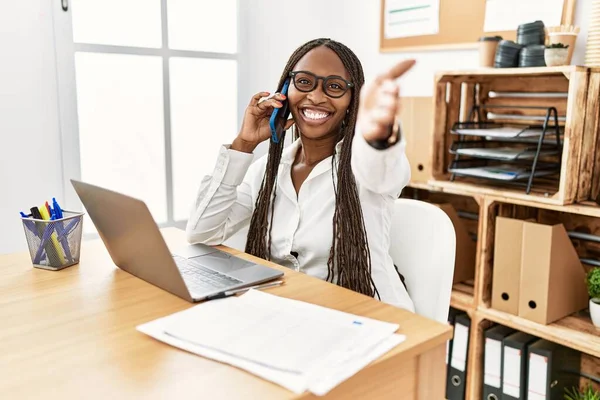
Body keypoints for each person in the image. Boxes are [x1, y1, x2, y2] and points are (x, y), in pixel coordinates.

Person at [186, 38, 416, 311]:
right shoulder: (267, 171)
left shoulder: (364, 165)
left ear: (352, 100)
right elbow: (201, 233)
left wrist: (378, 134)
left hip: (372, 318)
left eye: (335, 86)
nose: (317, 97)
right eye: (305, 82)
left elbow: (383, 170)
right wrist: (244, 144)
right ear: (285, 90)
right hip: (297, 316)